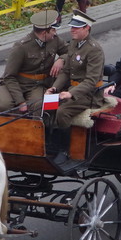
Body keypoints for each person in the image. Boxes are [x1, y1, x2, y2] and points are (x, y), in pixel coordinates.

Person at [46, 10, 105, 163]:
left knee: (62, 112)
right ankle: (49, 143)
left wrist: (71, 94)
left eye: (76, 27)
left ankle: (64, 150)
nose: (72, 29)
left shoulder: (94, 49)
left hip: (89, 95)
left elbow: (91, 81)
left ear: (87, 28)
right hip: (71, 90)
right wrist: (55, 88)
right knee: (45, 106)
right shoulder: (73, 43)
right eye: (72, 26)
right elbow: (66, 71)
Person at [0, 9, 67, 115]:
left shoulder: (54, 40)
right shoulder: (21, 47)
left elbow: (70, 52)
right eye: (53, 30)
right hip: (16, 83)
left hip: (37, 85)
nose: (55, 33)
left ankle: (37, 129)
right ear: (44, 32)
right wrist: (21, 102)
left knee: (40, 106)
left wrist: (61, 59)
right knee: (4, 106)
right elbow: (9, 76)